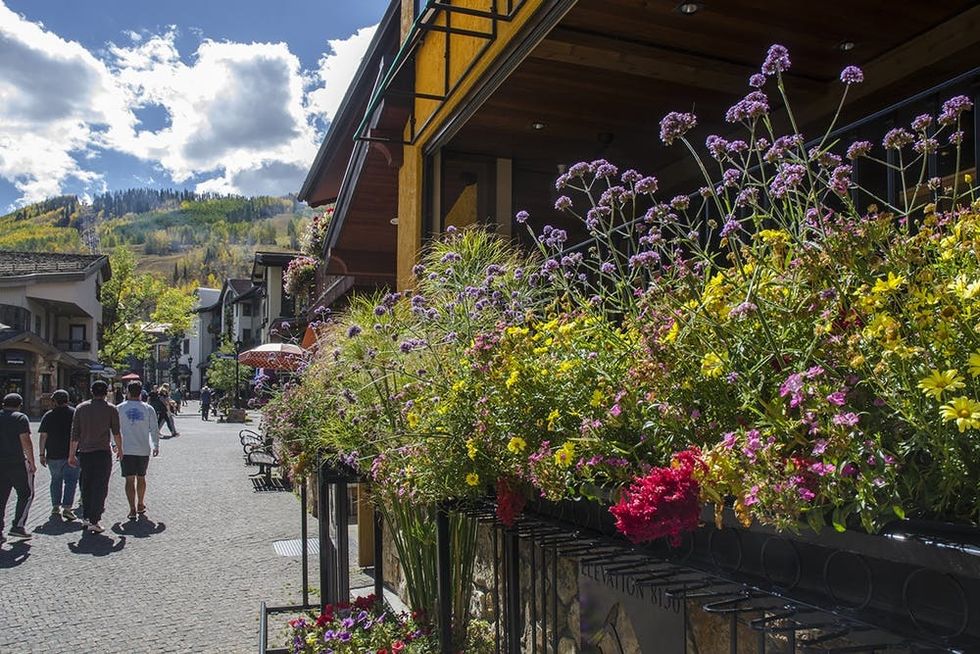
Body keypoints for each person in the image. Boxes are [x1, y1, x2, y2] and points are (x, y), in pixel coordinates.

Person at [68, 380, 122, 533]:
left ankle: (85, 517)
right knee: (100, 486)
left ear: (91, 392)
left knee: (86, 484)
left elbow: (75, 433)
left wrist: (71, 454)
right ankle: (94, 520)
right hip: (102, 452)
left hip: (84, 453)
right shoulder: (111, 409)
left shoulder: (81, 408)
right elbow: (116, 432)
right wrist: (120, 448)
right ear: (107, 392)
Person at [116, 381, 160, 520]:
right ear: (140, 393)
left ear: (127, 392)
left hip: (126, 448)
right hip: (143, 448)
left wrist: (114, 445)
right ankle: (140, 503)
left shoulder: (119, 408)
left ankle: (132, 508)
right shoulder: (148, 409)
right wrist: (155, 445)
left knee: (129, 479)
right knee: (141, 477)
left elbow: (114, 429)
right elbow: (154, 428)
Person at [38, 389, 79, 521]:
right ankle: (67, 508)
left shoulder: (49, 415)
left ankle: (55, 506)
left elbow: (43, 436)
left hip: (53, 454)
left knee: (55, 480)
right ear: (67, 400)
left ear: (54, 401)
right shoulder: (74, 413)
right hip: (71, 453)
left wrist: (41, 454)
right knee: (71, 481)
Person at [0, 393, 35, 542]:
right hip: (16, 463)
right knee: (26, 493)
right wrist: (32, 462)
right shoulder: (20, 418)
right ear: (19, 404)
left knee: (1, 498)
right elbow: (25, 441)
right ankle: (18, 526)